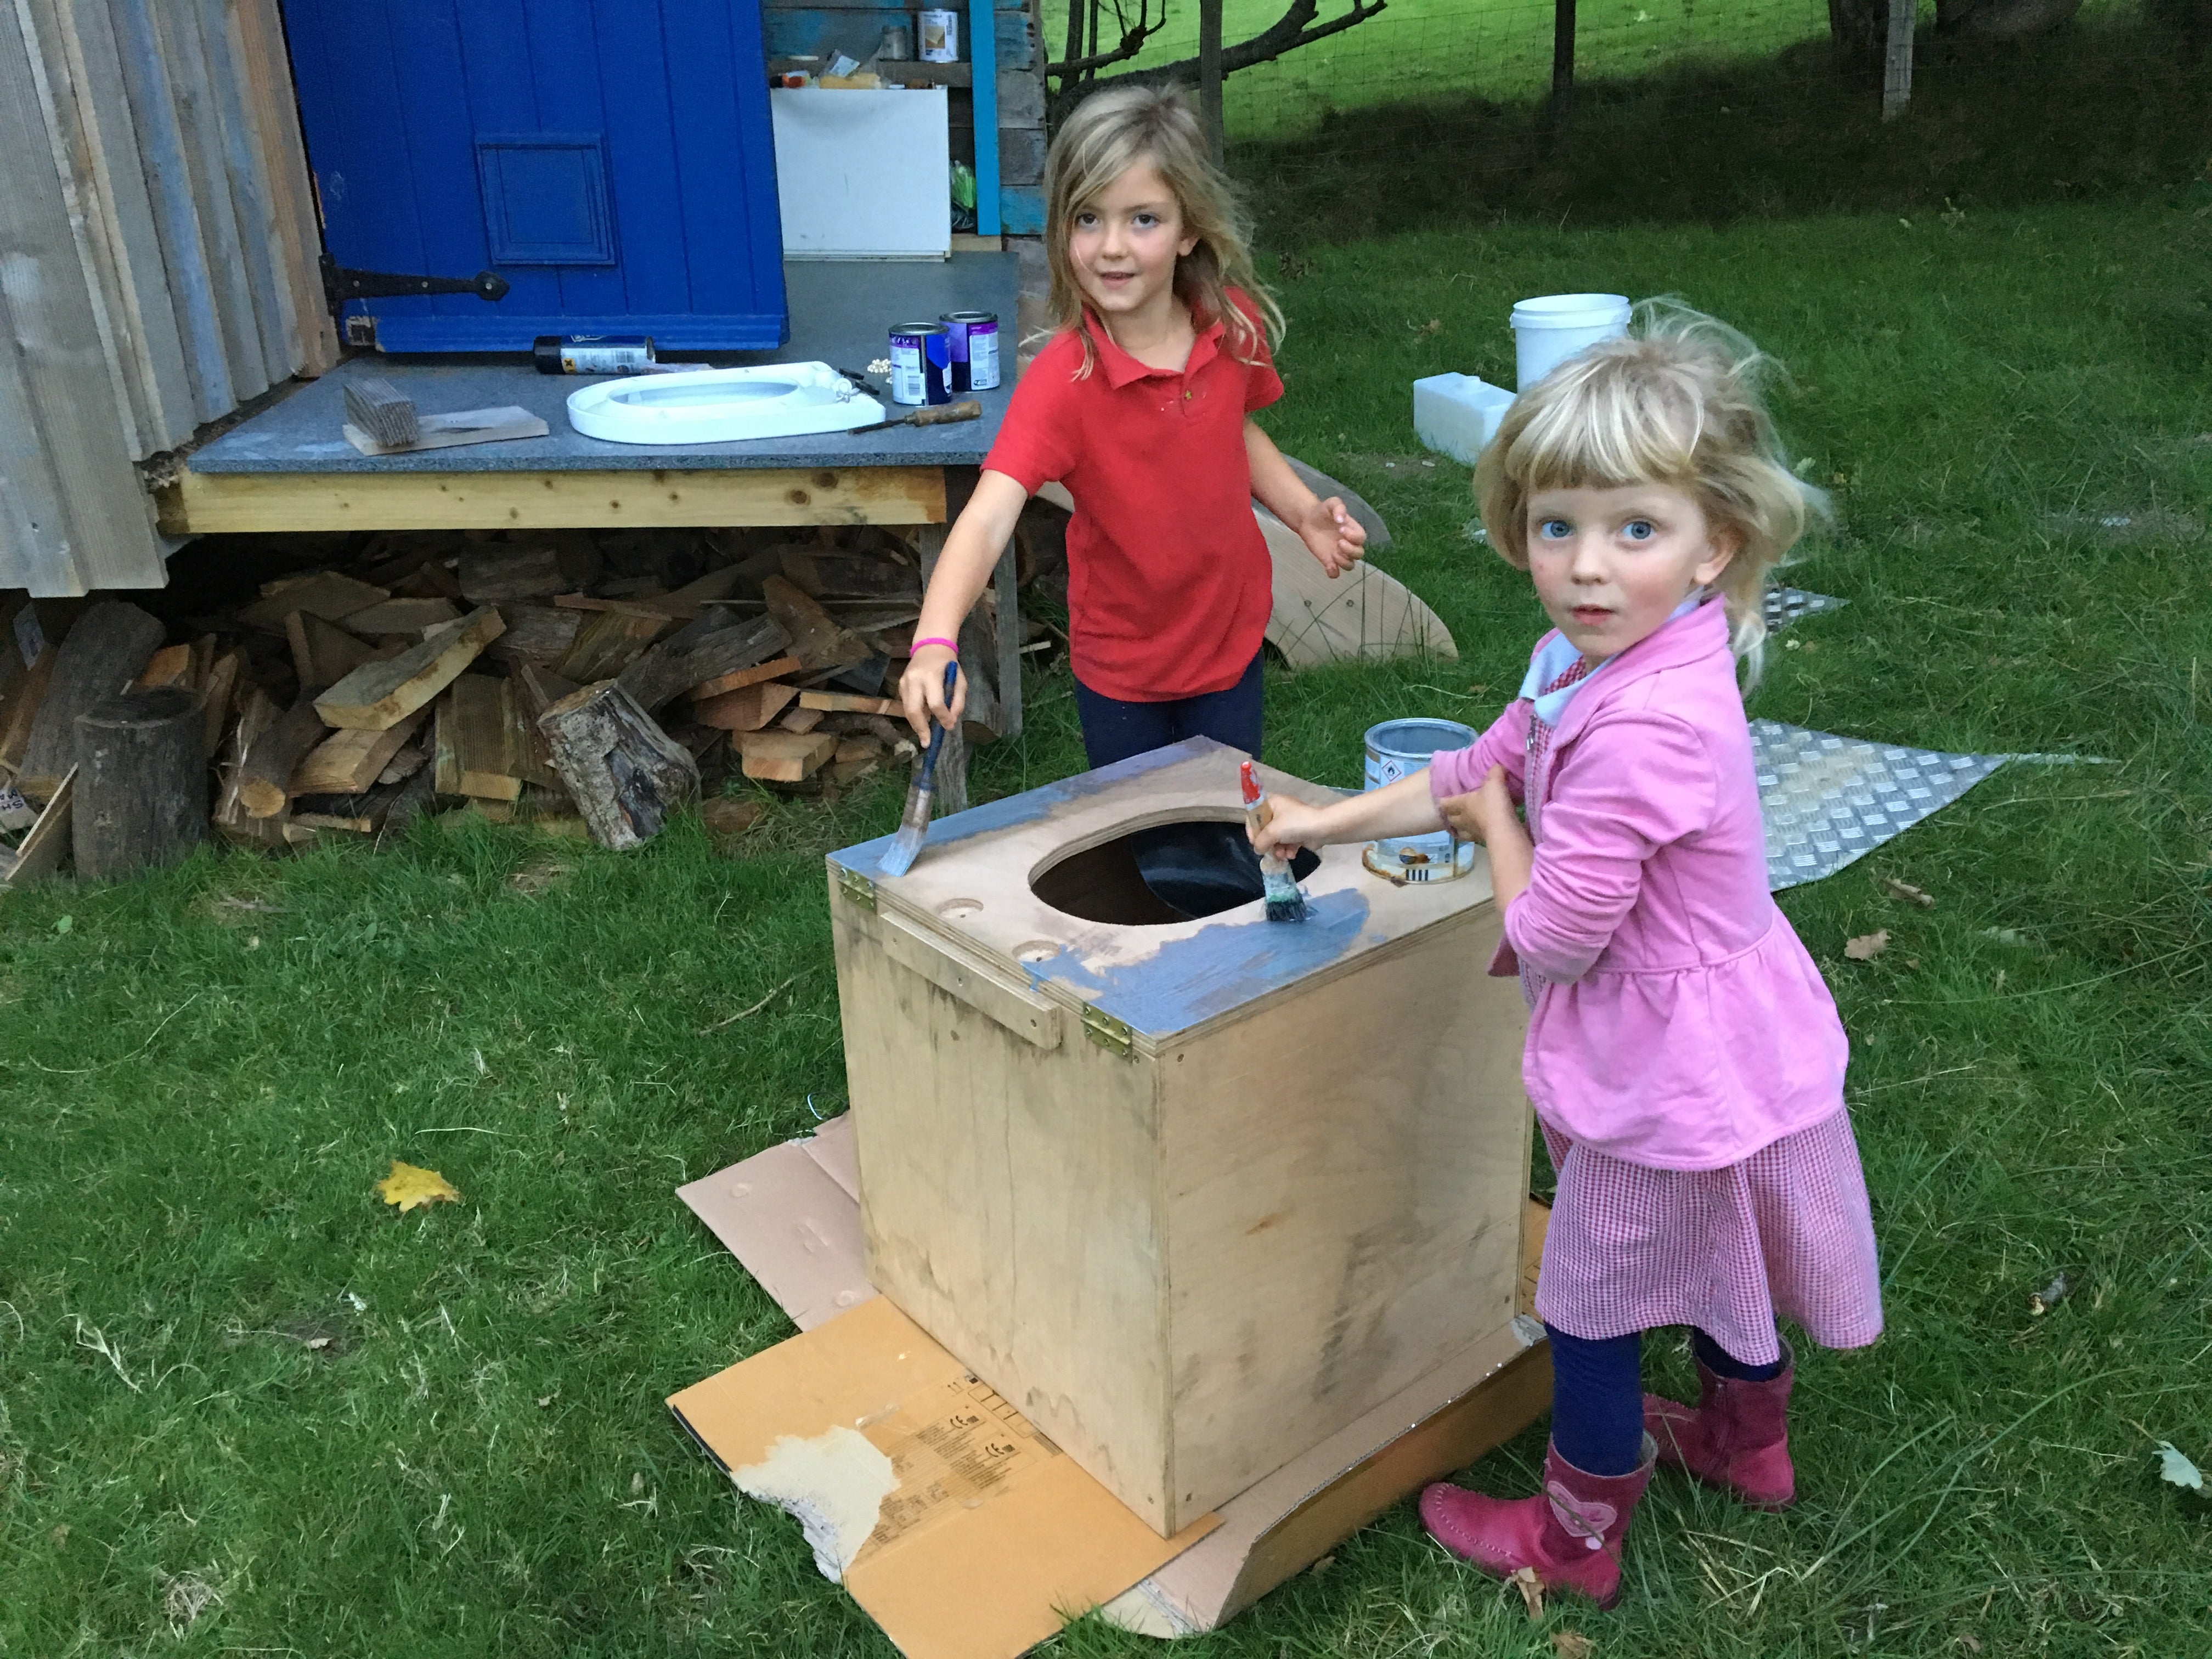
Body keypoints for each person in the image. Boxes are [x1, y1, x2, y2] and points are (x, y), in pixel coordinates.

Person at [1252, 307, 1882, 1610]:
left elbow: (1549, 935)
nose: (1587, 567)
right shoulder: (1585, 659)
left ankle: (1573, 1545)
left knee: (1593, 1310)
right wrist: (1326, 818)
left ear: (1719, 543)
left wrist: (1495, 829)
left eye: (1634, 530)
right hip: (1733, 1043)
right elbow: (1481, 765)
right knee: (1728, 1249)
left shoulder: (1645, 730)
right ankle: (1745, 1449)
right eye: (1558, 527)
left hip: (1666, 1069)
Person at [896, 84, 1365, 764]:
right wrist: (935, 637)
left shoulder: (1229, 324)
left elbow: (1231, 426)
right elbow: (990, 516)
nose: (1112, 247)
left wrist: (1302, 514)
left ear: (1190, 229)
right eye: (1088, 218)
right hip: (1124, 668)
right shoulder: (1064, 379)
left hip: (1230, 638)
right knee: (1138, 848)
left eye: (1143, 219)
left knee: (1227, 827)